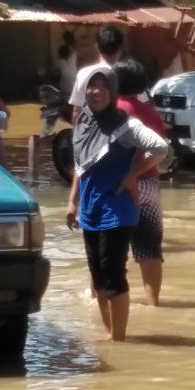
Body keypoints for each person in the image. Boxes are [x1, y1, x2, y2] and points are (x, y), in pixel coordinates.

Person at [65, 65, 169, 341]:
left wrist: (132, 174)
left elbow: (161, 148)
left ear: (112, 90)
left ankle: (119, 340)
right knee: (97, 279)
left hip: (118, 210)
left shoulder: (126, 124)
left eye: (102, 86)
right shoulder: (84, 122)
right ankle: (111, 335)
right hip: (90, 209)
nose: (95, 91)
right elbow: (80, 166)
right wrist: (72, 202)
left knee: (113, 276)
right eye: (91, 85)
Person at [114, 58, 168, 306]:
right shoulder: (149, 112)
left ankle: (100, 300)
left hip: (118, 186)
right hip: (148, 185)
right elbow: (160, 150)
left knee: (109, 250)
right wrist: (139, 173)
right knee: (150, 249)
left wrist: (130, 175)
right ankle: (153, 303)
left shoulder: (112, 109)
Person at [69, 26, 125, 113]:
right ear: (121, 49)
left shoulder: (84, 73)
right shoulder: (128, 74)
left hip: (91, 125)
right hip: (123, 125)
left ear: (97, 47)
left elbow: (77, 110)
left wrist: (77, 127)